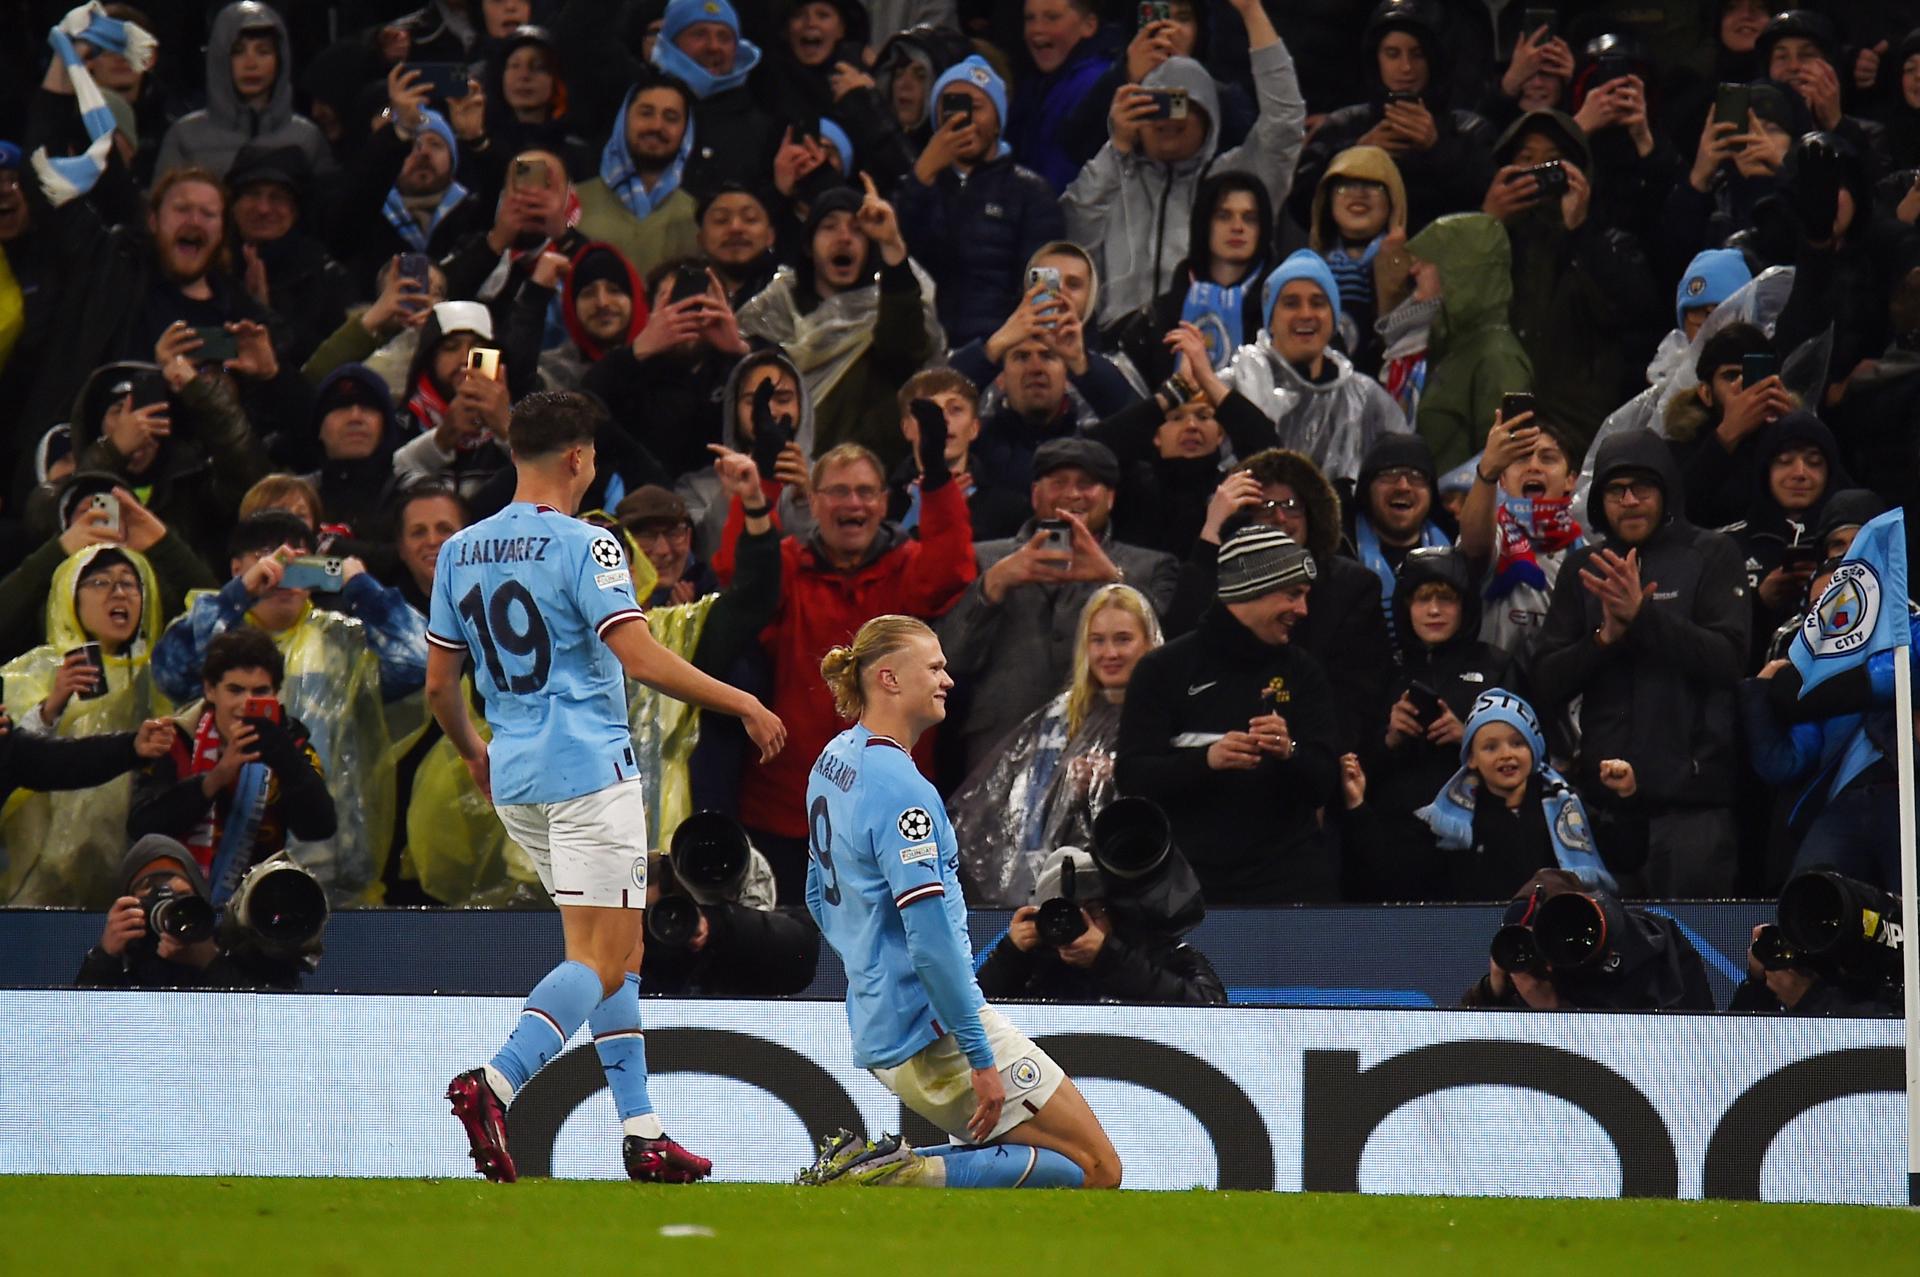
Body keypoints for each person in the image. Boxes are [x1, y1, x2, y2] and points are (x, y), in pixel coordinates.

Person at [428, 389, 785, 1185]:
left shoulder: (459, 551)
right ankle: (494, 1082)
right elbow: (639, 655)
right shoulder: (589, 546)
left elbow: (440, 686)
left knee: (614, 957)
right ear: (579, 458)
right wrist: (744, 700)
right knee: (603, 954)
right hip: (590, 769)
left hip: (519, 775)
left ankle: (643, 1132)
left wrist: (476, 752)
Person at [796, 614, 1121, 1189]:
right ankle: (892, 1174)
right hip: (935, 1028)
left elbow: (818, 896)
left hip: (879, 1022)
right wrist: (980, 1058)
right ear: (890, 678)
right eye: (936, 667)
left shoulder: (833, 760)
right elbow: (932, 943)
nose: (948, 680)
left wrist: (870, 967)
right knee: (1097, 1169)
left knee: (1023, 1174)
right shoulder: (904, 791)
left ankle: (885, 1171)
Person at [1530, 430, 1750, 896]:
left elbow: (1729, 659)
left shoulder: (1712, 554)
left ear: (1667, 489)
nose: (1629, 500)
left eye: (1642, 488)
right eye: (1615, 489)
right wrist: (1605, 638)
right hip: (1600, 810)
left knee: (1698, 957)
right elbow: (1546, 681)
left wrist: (1643, 618)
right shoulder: (1583, 567)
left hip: (1692, 810)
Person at [1116, 526, 1339, 903]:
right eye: (1293, 594)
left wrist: (1291, 752)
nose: (1302, 610)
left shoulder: (1304, 671)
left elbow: (1325, 781)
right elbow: (1132, 776)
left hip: (1288, 887)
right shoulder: (1164, 669)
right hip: (1190, 888)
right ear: (1251, 589)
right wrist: (1206, 760)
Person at [938, 437, 1177, 774]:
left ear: (1110, 497)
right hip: (997, 745)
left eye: (1086, 484)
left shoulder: (1150, 567)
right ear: (1036, 494)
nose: (1072, 494)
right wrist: (991, 586)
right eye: (1059, 483)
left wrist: (1112, 577)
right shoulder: (984, 559)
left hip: (1104, 745)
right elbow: (949, 657)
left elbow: (1164, 656)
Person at [1062, 0, 1305, 325]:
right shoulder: (1112, 179)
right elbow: (1074, 234)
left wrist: (1251, 12)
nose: (1167, 119)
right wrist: (1116, 144)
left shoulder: (1235, 181)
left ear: (1209, 114)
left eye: (1180, 103)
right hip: (1119, 353)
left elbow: (1285, 122)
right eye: (1154, 105)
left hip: (1215, 346)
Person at [948, 584, 1162, 906]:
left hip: (1144, 878)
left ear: (1149, 642)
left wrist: (1121, 778)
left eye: (1123, 639)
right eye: (1097, 640)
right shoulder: (1060, 717)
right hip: (1066, 884)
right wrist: (1070, 786)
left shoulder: (1167, 709)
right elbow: (1024, 811)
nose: (1110, 653)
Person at [1336, 548, 1521, 900]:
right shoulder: (1380, 669)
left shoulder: (1497, 666)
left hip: (1479, 844)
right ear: (1405, 607)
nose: (1434, 610)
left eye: (1446, 599)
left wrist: (1469, 740)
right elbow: (1351, 765)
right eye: (1422, 599)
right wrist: (1389, 739)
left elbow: (1530, 758)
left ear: (1465, 604)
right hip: (1392, 846)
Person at [0, 541, 167, 906]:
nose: (118, 592)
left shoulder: (163, 676)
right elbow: (14, 761)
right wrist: (52, 706)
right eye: (100, 582)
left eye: (129, 582)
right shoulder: (33, 673)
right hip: (40, 875)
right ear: (70, 597)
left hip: (134, 862)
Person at [1360, 686, 1642, 901]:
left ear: (1534, 750)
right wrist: (1358, 810)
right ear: (1471, 758)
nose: (1506, 755)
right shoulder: (1447, 823)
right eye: (1490, 747)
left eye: (1518, 743)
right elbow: (1401, 882)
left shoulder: (1567, 805)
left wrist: (1627, 798)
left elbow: (1627, 856)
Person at [736, 178, 941, 471]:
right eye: (830, 227)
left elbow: (904, 348)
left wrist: (891, 244)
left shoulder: (890, 303)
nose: (844, 237)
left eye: (857, 230)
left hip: (866, 472)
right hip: (781, 472)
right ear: (808, 245)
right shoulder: (776, 307)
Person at [128, 627, 337, 888]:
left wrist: (285, 759)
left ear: (276, 693)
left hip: (257, 901)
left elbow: (319, 828)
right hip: (178, 895)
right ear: (210, 690)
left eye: (260, 691)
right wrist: (214, 780)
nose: (245, 703)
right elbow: (141, 826)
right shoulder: (171, 739)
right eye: (235, 690)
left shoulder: (291, 742)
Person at [1197, 250, 1408, 487]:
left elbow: (1403, 473)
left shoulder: (1366, 399)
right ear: (1271, 320)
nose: (1306, 314)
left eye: (1318, 303)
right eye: (1291, 303)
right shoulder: (1227, 389)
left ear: (1333, 319)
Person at [894, 56, 1064, 346]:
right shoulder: (914, 186)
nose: (965, 119)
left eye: (976, 107)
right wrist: (920, 178)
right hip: (924, 350)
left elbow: (1046, 290)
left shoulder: (1032, 193)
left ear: (998, 121)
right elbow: (894, 259)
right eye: (953, 107)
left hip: (1001, 352)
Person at [1288, 0, 1498, 235]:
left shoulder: (1470, 130)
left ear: (1433, 59)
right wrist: (1357, 155)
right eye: (1392, 54)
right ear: (1375, 58)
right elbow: (1301, 206)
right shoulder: (1343, 125)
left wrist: (1437, 148)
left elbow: (1487, 206)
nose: (1406, 67)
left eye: (1417, 54)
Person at [976, 808, 1225, 1006]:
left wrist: (1110, 959)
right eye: (1066, 912)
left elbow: (1215, 1007)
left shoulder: (1150, 951)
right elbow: (968, 1020)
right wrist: (1009, 956)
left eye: (1094, 909)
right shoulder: (1034, 962)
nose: (1080, 922)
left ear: (1118, 910)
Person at [76, 834, 292, 989]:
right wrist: (105, 957)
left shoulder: (230, 954)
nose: (168, 908)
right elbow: (76, 1034)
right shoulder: (120, 965)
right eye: (150, 895)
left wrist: (209, 962)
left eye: (181, 896)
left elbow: (263, 1028)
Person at [1403, 212, 1531, 471]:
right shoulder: (1454, 347)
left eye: (1427, 262)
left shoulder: (1497, 359)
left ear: (1459, 271)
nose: (1413, 270)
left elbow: (1504, 468)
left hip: (1463, 510)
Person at [1455, 409, 1585, 662]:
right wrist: (1487, 471)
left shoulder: (1586, 554)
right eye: (1522, 458)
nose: (1534, 466)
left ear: (1571, 480)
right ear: (1502, 479)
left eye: (1548, 458)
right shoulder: (1493, 534)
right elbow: (1473, 548)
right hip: (1488, 694)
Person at [153, 2, 331, 182]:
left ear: (281, 60)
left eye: (263, 51)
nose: (251, 64)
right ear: (219, 59)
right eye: (237, 52)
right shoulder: (184, 136)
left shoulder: (308, 138)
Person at [576, 69, 701, 279]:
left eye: (671, 118)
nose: (656, 126)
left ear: (686, 131)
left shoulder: (697, 216)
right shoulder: (572, 204)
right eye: (646, 113)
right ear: (623, 120)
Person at [1304, 146, 1411, 376]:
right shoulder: (1306, 267)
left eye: (1374, 186)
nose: (1359, 193)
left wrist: (1392, 266)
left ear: (1394, 198)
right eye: (1345, 186)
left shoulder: (1415, 267)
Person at [887, 369, 1029, 541]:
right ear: (907, 428)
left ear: (974, 428)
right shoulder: (881, 506)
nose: (942, 419)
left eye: (955, 409)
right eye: (928, 410)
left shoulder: (1011, 511)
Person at [1005, 0, 1115, 193]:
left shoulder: (1096, 82)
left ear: (1088, 25)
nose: (1037, 29)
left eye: (1052, 18)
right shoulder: (1038, 83)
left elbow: (1061, 179)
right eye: (1030, 18)